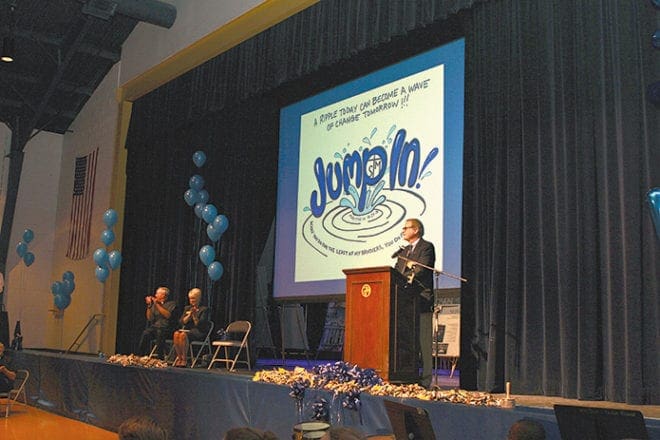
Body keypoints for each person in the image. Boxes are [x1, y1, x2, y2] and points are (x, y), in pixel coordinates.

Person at [394, 218, 436, 388]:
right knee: (406, 342)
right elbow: (396, 272)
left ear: (416, 230)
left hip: (421, 301)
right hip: (404, 304)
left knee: (424, 343)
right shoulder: (403, 252)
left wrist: (410, 275)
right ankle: (408, 377)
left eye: (406, 228)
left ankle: (426, 380)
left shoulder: (426, 247)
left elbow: (422, 269)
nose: (403, 231)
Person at [172, 287, 210, 367]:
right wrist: (189, 316)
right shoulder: (187, 308)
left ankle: (185, 360)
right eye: (190, 299)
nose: (192, 301)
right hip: (187, 330)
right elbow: (181, 322)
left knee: (183, 335)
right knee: (176, 334)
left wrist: (195, 317)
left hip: (199, 331)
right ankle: (179, 358)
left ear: (198, 298)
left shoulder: (204, 309)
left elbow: (201, 325)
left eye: (194, 299)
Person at [137, 286, 176, 359]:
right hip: (156, 327)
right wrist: (149, 306)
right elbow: (150, 318)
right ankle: (140, 355)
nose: (155, 296)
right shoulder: (155, 305)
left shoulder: (171, 304)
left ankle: (160, 357)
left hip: (167, 328)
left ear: (163, 295)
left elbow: (168, 315)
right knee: (146, 333)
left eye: (157, 294)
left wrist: (157, 304)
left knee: (160, 332)